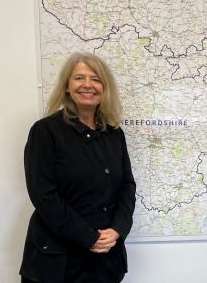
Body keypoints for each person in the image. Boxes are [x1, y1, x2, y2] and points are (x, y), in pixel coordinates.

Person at [20, 52, 137, 283]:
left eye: (95, 79)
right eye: (79, 78)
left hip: (105, 260)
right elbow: (44, 196)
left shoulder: (114, 134)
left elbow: (127, 186)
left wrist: (117, 229)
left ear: (105, 88)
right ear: (66, 86)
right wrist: (88, 237)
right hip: (56, 262)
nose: (87, 85)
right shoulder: (45, 132)